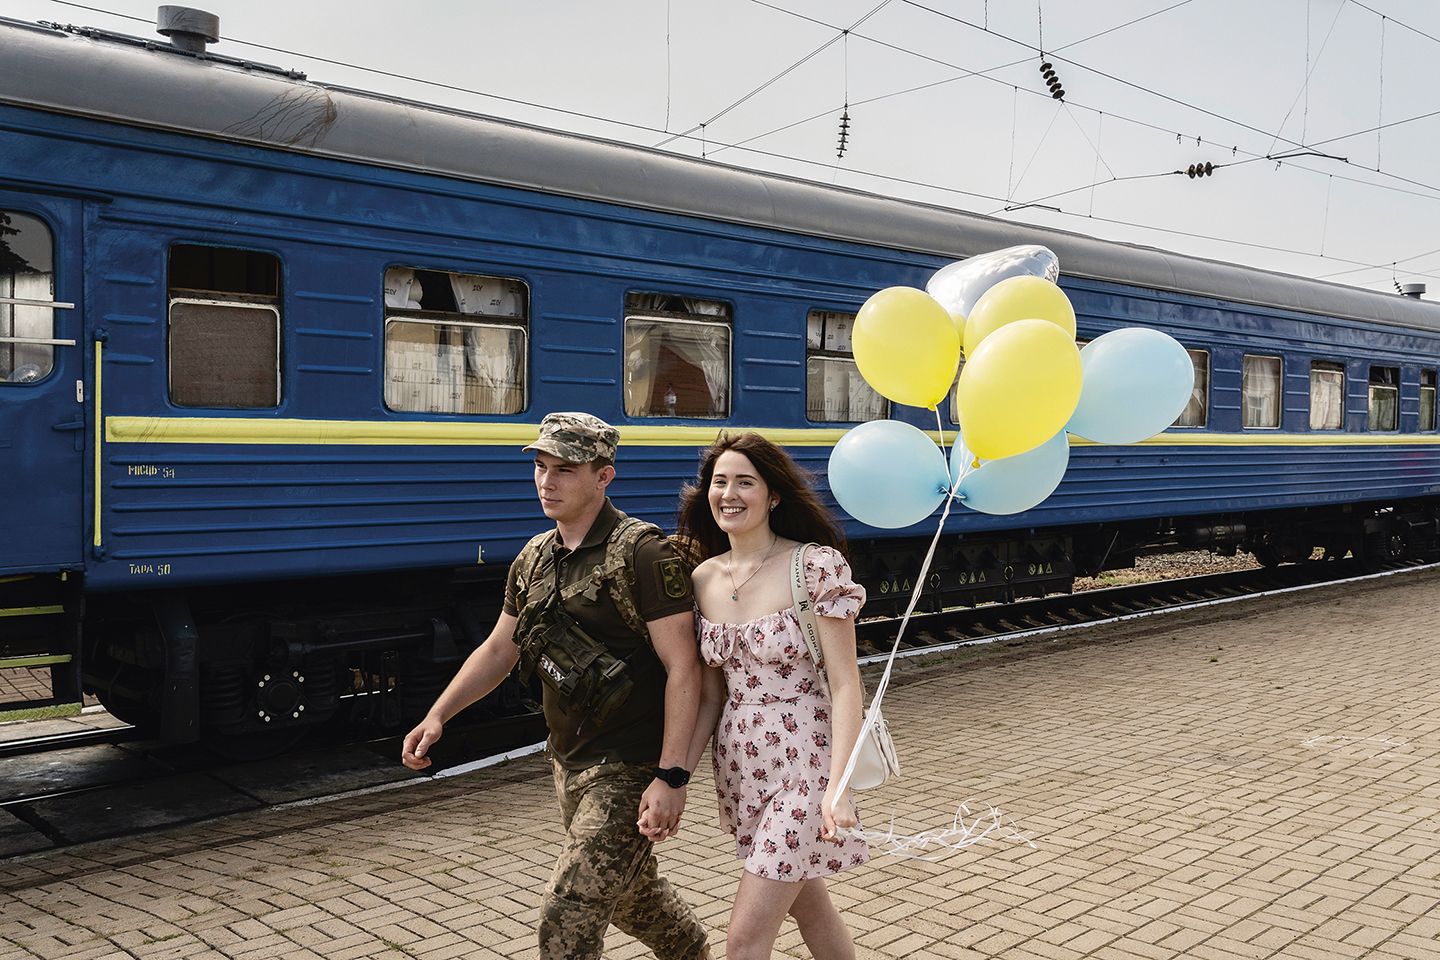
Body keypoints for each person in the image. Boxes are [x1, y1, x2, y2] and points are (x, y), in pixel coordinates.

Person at [402, 412, 710, 960]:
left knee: (567, 911)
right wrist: (438, 715)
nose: (547, 481)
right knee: (633, 899)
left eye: (565, 469)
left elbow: (684, 667)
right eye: (541, 467)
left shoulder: (643, 553)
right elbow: (500, 649)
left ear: (603, 476)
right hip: (567, 763)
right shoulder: (535, 558)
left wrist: (671, 775)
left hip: (630, 767)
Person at [676, 432, 869, 960]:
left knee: (743, 940)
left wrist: (839, 787)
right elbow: (712, 699)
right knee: (808, 906)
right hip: (740, 770)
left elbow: (847, 682)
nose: (729, 494)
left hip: (806, 767)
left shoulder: (814, 567)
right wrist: (676, 777)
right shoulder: (701, 579)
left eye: (745, 482)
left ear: (773, 495)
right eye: (719, 482)